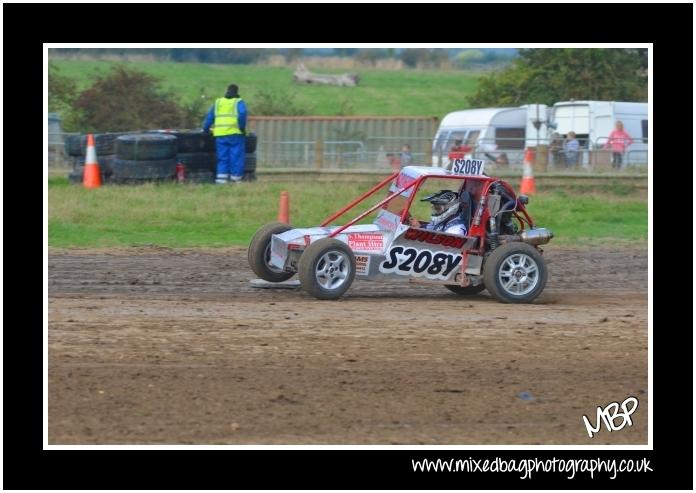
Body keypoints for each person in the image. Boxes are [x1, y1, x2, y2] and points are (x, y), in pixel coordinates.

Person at [203, 83, 247, 184]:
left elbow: (210, 117)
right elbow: (242, 114)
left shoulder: (218, 102)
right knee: (236, 157)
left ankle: (221, 180)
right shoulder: (238, 102)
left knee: (222, 157)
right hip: (235, 134)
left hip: (220, 135)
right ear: (237, 92)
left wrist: (205, 129)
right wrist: (242, 128)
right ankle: (235, 180)